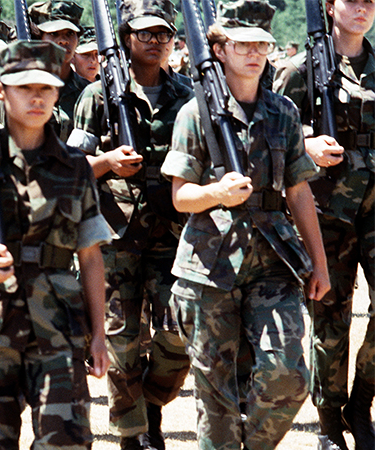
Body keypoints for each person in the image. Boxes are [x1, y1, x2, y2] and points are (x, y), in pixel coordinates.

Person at [160, 1, 330, 448]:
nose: (254, 53)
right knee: (215, 395)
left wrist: (320, 263)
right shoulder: (194, 114)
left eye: (262, 44)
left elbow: (299, 192)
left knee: (289, 374)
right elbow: (180, 196)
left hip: (274, 257)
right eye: (242, 44)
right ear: (219, 49)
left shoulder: (283, 112)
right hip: (208, 266)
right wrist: (215, 194)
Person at [0, 39, 111, 450]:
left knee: (67, 442)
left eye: (46, 88)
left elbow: (90, 256)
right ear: (1, 91)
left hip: (58, 328)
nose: (37, 98)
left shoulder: (75, 169)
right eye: (25, 88)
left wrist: (100, 334)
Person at [67, 0, 194, 448]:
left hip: (174, 233)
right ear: (125, 38)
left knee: (181, 329)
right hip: (115, 233)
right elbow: (72, 166)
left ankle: (152, 402)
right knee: (121, 340)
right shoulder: (97, 96)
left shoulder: (186, 95)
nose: (155, 42)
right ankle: (134, 431)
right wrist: (106, 162)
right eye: (145, 34)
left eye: (163, 34)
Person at [273, 0, 375, 448]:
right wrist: (307, 144)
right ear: (330, 7)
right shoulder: (299, 70)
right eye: (353, 0)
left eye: (370, 1)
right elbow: (270, 136)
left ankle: (363, 402)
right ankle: (331, 424)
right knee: (329, 323)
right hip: (325, 211)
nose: (364, 9)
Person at [29, 0, 89, 140]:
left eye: (69, 33)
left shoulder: (87, 92)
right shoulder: (21, 92)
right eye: (54, 33)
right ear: (39, 38)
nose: (63, 40)